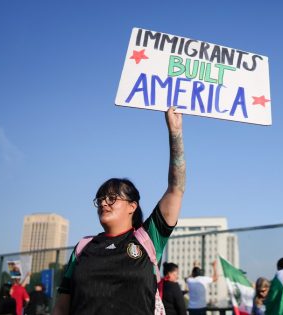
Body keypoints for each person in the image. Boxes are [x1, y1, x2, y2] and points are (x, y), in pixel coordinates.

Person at [53, 107, 186, 315]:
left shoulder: (147, 239)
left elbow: (176, 188)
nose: (104, 203)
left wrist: (175, 132)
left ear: (132, 206)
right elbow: (61, 307)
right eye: (101, 199)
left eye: (112, 198)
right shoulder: (83, 247)